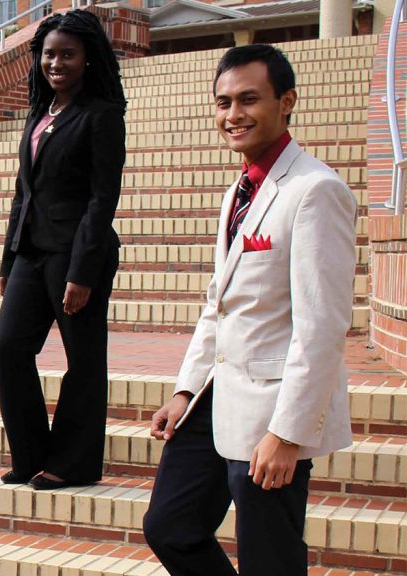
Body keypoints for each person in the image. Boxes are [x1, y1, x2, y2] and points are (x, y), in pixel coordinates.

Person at [142, 45, 356, 576]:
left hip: (272, 411)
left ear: (286, 103)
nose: (232, 114)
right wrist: (186, 390)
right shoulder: (240, 189)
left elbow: (322, 326)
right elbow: (219, 304)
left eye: (248, 100)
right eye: (223, 102)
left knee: (269, 560)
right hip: (216, 397)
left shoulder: (315, 190)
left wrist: (288, 434)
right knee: (170, 526)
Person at [0, 10, 126, 490]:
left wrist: (83, 271)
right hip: (31, 253)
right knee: (7, 347)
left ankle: (72, 463)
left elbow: (101, 198)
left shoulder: (101, 116)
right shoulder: (39, 112)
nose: (56, 62)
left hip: (77, 255)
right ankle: (30, 456)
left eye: (67, 53)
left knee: (83, 360)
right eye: (49, 53)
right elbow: (21, 193)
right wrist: (10, 258)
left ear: (87, 58)